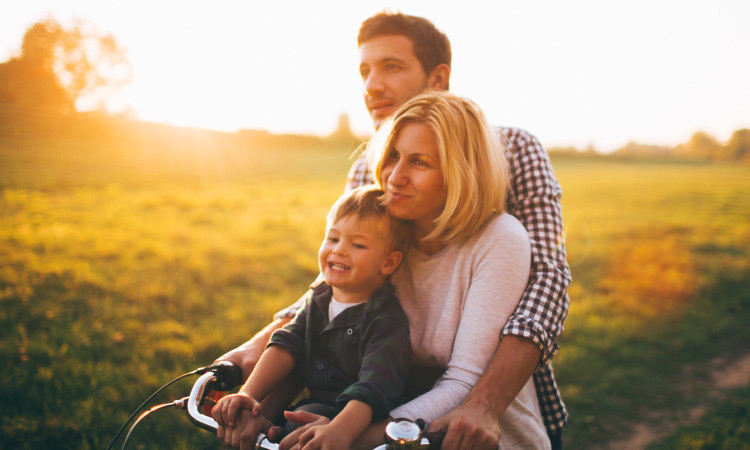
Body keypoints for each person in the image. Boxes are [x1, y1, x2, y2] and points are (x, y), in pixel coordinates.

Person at [216, 11, 570, 450]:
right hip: (387, 399)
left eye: (391, 67)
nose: (371, 85)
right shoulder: (374, 172)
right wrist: (263, 371)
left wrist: (486, 403)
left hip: (476, 410)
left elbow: (547, 278)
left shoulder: (510, 165)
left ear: (438, 77)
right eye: (365, 71)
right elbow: (339, 280)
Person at [213, 185, 412, 450]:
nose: (339, 250)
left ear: (388, 263)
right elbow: (286, 344)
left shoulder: (385, 321)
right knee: (243, 427)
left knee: (298, 426)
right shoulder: (319, 299)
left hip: (350, 422)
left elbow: (373, 387)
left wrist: (341, 430)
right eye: (333, 238)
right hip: (307, 407)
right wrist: (248, 394)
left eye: (358, 244)